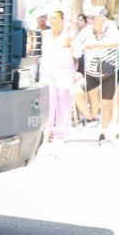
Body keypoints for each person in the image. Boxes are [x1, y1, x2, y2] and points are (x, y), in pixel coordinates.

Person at [73, 5, 119, 143]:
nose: (90, 21)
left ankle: (103, 132)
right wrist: (77, 51)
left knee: (107, 103)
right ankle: (90, 116)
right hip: (91, 72)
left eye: (93, 18)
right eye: (89, 18)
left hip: (110, 71)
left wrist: (98, 45)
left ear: (102, 19)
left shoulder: (111, 28)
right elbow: (77, 43)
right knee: (77, 91)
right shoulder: (87, 31)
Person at [39, 10, 76, 141]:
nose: (52, 20)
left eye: (55, 18)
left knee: (63, 100)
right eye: (51, 18)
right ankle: (47, 130)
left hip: (63, 70)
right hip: (47, 69)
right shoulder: (45, 34)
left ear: (62, 19)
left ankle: (62, 132)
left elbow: (75, 53)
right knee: (48, 101)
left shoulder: (68, 35)